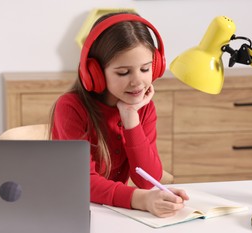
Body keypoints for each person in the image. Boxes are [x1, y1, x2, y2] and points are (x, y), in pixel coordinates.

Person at [49, 11, 189, 217]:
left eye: (145, 69)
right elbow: (81, 181)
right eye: (123, 72)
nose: (137, 82)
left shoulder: (144, 108)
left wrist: (131, 117)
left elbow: (147, 179)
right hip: (69, 211)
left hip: (113, 212)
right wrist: (141, 199)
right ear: (94, 72)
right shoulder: (71, 108)